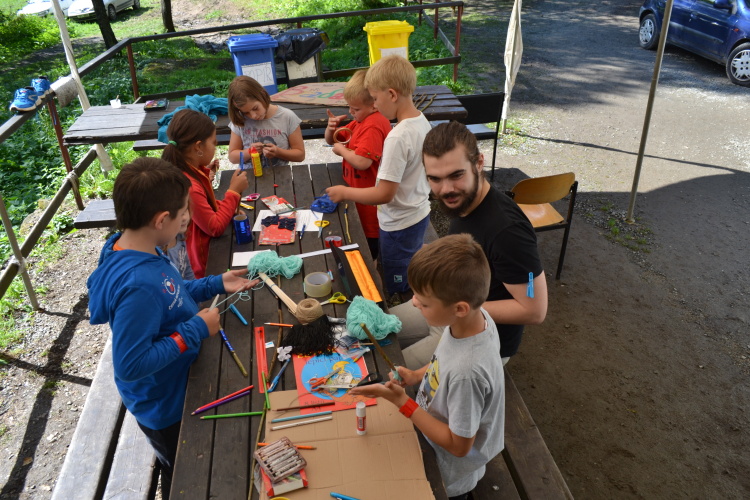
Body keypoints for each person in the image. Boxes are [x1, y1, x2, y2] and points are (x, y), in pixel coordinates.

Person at [86, 157, 257, 498]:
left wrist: (215, 283)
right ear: (161, 220)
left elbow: (172, 292)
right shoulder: (137, 285)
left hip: (177, 376)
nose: (187, 220)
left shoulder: (137, 246)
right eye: (183, 214)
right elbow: (131, 365)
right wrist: (195, 329)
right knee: (185, 472)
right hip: (165, 404)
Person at [350, 234, 504, 500]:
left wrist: (403, 403)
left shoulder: (467, 373)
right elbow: (443, 361)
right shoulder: (473, 321)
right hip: (434, 430)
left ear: (459, 308)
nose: (414, 302)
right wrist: (415, 375)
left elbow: (459, 446)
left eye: (424, 302)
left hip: (448, 471)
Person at [394, 121, 548, 369]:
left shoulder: (508, 232)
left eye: (456, 175)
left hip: (478, 338)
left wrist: (454, 308)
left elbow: (534, 309)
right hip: (446, 308)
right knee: (375, 329)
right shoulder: (464, 202)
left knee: (387, 372)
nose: (446, 189)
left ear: (479, 163)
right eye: (435, 178)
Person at [326, 55, 432, 298]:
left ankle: (404, 306)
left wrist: (344, 192)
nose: (374, 105)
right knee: (401, 262)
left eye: (374, 99)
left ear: (392, 94)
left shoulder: (398, 137)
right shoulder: (421, 121)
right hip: (417, 212)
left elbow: (384, 194)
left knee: (398, 283)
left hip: (399, 223)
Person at [162, 108, 249, 279]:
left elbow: (205, 208)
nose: (215, 148)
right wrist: (233, 192)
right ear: (198, 147)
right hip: (205, 263)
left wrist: (227, 207)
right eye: (214, 143)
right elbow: (214, 228)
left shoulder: (188, 170)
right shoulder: (189, 185)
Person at [325, 69, 392, 259]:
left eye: (355, 109)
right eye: (349, 107)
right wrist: (331, 128)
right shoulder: (360, 121)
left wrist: (342, 151)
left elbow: (363, 162)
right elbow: (333, 140)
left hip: (370, 202)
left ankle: (373, 267)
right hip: (358, 194)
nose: (350, 112)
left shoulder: (373, 125)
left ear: (374, 105)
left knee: (369, 247)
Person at [226, 75, 305, 169]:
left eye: (255, 108)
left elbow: (300, 155)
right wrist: (250, 152)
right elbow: (232, 157)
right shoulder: (240, 120)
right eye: (246, 112)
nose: (253, 116)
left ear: (262, 95)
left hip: (279, 174)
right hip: (248, 175)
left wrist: (278, 152)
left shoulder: (287, 117)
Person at [162, 203, 195, 281]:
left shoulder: (180, 235)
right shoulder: (159, 251)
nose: (185, 218)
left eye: (185, 210)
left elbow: (187, 271)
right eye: (179, 214)